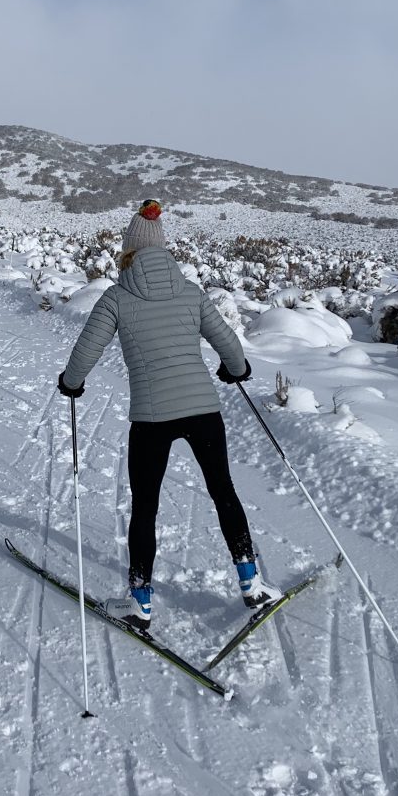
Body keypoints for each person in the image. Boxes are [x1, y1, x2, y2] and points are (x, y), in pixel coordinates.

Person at [57, 200, 281, 630]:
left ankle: (140, 601)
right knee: (224, 492)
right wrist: (237, 371)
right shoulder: (190, 291)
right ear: (164, 249)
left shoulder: (116, 297)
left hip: (151, 419)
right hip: (203, 411)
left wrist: (71, 382)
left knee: (145, 507)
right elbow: (230, 345)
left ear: (127, 251)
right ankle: (251, 582)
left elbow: (85, 352)